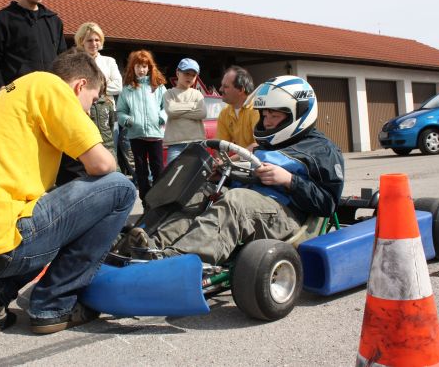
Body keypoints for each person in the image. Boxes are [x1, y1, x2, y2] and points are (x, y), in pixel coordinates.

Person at [0, 50, 136, 334]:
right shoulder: (50, 86)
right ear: (80, 86)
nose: (87, 111)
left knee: (48, 210)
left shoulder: (11, 93)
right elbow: (103, 164)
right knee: (121, 187)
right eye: (92, 101)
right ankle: (53, 304)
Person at [122, 75, 344, 265]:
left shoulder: (323, 150)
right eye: (264, 115)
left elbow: (327, 203)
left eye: (274, 116)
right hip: (252, 206)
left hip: (288, 216)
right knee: (200, 192)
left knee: (237, 200)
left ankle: (178, 261)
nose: (266, 122)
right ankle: (148, 246)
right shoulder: (267, 143)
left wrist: (289, 180)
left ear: (299, 113)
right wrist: (222, 172)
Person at [117, 50, 167, 207]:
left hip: (155, 134)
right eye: (138, 66)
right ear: (132, 67)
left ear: (150, 67)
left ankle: (159, 200)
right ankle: (146, 202)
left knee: (158, 169)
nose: (141, 70)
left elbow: (166, 106)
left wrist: (161, 117)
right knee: (141, 171)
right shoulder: (128, 89)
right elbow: (120, 111)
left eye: (144, 66)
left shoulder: (158, 87)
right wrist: (128, 120)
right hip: (136, 135)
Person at [74, 22, 122, 148]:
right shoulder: (75, 63)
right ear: (81, 41)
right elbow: (74, 89)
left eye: (97, 40)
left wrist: (89, 88)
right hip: (84, 114)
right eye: (89, 40)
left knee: (110, 153)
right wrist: (104, 86)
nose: (94, 44)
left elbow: (118, 86)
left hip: (107, 114)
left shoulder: (109, 61)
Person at [163, 58, 207, 164]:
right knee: (174, 176)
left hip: (197, 142)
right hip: (176, 144)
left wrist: (179, 109)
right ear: (178, 73)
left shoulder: (197, 94)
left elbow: (202, 113)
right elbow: (171, 110)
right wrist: (192, 105)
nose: (190, 77)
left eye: (193, 75)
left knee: (196, 175)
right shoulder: (169, 93)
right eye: (187, 73)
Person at [216, 66, 260, 151]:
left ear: (241, 90)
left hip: (262, 162)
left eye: (225, 86)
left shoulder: (256, 109)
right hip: (243, 161)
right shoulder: (224, 113)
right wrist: (219, 160)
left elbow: (259, 145)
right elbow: (220, 145)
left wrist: (230, 161)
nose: (220, 89)